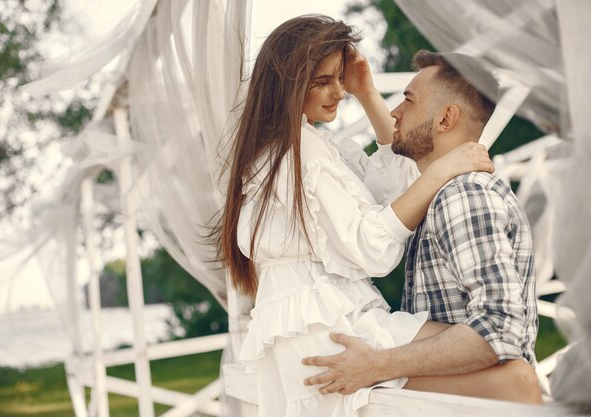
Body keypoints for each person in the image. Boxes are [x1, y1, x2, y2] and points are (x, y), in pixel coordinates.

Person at [214, 16, 536, 417]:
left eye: (340, 79)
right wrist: (444, 167)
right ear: (290, 84)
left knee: (500, 360)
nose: (338, 92)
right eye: (323, 81)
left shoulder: (314, 146)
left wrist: (366, 92)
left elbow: (389, 187)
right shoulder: (298, 153)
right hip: (324, 326)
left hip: (338, 313)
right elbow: (372, 247)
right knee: (512, 377)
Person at [302, 49, 542, 404]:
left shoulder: (463, 194)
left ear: (445, 119)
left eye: (408, 102)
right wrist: (366, 93)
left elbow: (499, 326)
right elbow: (387, 183)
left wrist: (375, 366)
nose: (395, 112)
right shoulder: (441, 192)